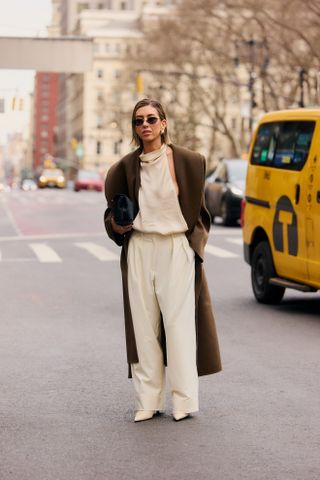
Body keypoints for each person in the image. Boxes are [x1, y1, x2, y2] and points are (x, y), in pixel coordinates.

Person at [104, 98, 221, 422]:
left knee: (179, 326)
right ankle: (148, 400)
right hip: (140, 247)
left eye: (151, 119)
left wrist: (194, 248)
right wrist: (116, 225)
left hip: (175, 247)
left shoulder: (189, 161)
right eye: (138, 120)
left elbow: (200, 214)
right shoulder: (124, 168)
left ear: (164, 123)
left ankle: (184, 401)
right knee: (143, 328)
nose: (145, 125)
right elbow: (111, 214)